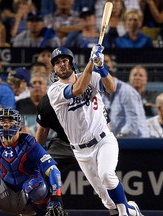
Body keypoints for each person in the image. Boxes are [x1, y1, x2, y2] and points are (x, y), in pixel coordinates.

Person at [47, 46, 143, 215]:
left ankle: (124, 212)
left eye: (64, 60)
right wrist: (91, 63)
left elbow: (111, 88)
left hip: (103, 139)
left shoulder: (90, 76)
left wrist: (101, 67)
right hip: (80, 150)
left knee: (106, 175)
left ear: (72, 63)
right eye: (57, 62)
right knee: (106, 200)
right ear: (54, 68)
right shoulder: (54, 90)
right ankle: (131, 209)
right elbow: (77, 89)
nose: (61, 65)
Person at [0, 107, 68, 216]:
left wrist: (56, 198)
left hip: (27, 198)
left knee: (37, 186)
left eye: (10, 121)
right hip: (4, 196)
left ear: (19, 124)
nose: (6, 125)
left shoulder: (30, 144)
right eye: (2, 121)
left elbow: (53, 170)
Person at [103, 54, 149, 137]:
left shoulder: (127, 91)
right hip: (118, 141)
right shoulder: (101, 94)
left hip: (138, 141)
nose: (101, 64)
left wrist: (118, 137)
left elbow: (133, 122)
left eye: (105, 61)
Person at [35, 94, 77, 173]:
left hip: (91, 143)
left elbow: (105, 126)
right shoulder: (47, 102)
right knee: (40, 165)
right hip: (63, 143)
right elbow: (43, 130)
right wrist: (35, 156)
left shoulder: (88, 95)